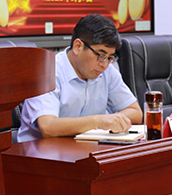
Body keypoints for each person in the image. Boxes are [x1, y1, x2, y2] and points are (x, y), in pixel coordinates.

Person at [17, 14, 143, 142]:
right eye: (100, 55)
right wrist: (98, 120)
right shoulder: (46, 72)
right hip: (42, 151)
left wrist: (114, 120)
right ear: (78, 47)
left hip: (85, 148)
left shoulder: (107, 71)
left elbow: (135, 112)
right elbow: (48, 127)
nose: (104, 64)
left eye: (110, 57)